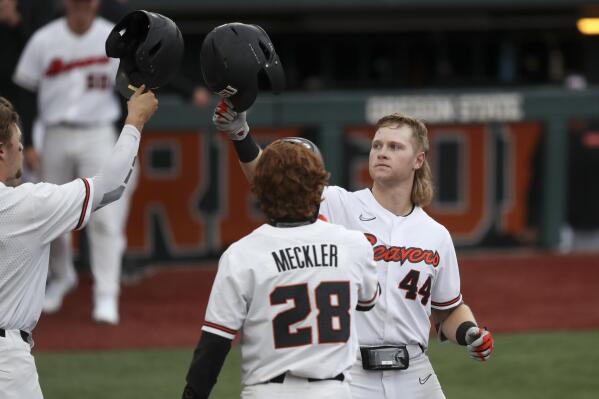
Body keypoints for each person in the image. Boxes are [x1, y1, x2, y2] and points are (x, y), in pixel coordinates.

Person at [212, 99, 494, 399]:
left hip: (416, 375)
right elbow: (271, 183)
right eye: (377, 145)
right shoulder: (338, 205)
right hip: (351, 374)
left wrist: (470, 333)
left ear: (419, 160)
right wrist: (240, 133)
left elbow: (447, 310)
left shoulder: (436, 235)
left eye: (395, 147)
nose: (382, 152)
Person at [181, 139, 381, 399]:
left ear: (259, 189)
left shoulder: (241, 253)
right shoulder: (354, 244)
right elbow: (367, 302)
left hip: (267, 391)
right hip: (333, 390)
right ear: (319, 186)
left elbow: (214, 346)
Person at [0, 87, 157, 399]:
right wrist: (135, 120)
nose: (22, 150)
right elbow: (109, 188)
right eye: (18, 144)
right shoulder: (27, 204)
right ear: (1, 150)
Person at [12, 0, 136, 324]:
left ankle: (107, 293)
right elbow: (25, 91)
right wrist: (32, 140)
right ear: (67, 4)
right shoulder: (45, 38)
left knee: (107, 216)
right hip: (55, 133)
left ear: (96, 5)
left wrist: (126, 135)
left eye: (87, 2)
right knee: (49, 214)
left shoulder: (111, 39)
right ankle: (61, 277)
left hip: (98, 132)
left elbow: (127, 91)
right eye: (77, 2)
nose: (82, 7)